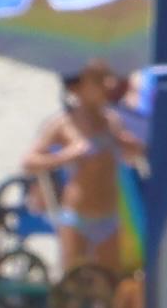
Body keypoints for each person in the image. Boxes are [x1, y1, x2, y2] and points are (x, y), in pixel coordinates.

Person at [21, 64, 129, 277]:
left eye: (107, 79)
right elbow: (29, 162)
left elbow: (131, 150)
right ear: (76, 89)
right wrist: (66, 155)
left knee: (110, 284)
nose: (108, 85)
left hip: (109, 215)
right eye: (98, 81)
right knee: (75, 283)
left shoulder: (112, 121)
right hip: (78, 217)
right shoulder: (64, 124)